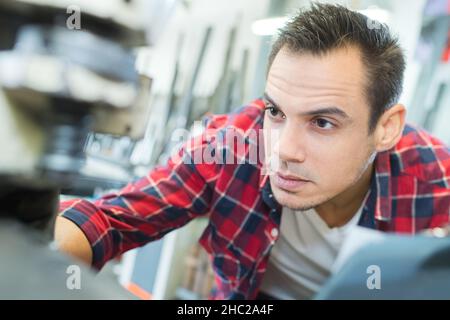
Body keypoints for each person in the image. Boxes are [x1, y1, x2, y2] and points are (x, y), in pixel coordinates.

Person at [54, 3, 450, 300]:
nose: (283, 150)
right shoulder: (233, 144)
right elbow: (110, 219)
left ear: (385, 128)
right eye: (275, 112)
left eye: (322, 122)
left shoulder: (436, 179)